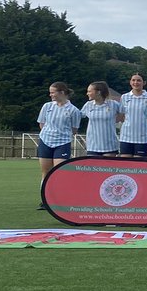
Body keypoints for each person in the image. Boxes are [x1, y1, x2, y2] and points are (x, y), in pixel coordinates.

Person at [36, 81, 81, 209]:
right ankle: (45, 199)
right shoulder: (47, 106)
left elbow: (74, 129)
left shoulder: (73, 110)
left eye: (53, 92)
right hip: (45, 141)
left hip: (62, 143)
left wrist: (61, 134)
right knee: (45, 172)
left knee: (59, 172)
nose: (50, 95)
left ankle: (59, 199)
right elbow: (41, 124)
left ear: (61, 92)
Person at [80, 81, 123, 157]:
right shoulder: (88, 105)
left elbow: (125, 113)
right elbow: (78, 115)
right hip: (92, 145)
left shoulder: (113, 104)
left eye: (89, 91)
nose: (87, 93)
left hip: (110, 145)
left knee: (107, 165)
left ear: (98, 92)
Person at [118, 73, 147, 158]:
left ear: (144, 83)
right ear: (130, 82)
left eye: (139, 80)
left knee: (139, 164)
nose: (136, 82)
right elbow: (121, 115)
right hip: (126, 137)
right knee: (125, 163)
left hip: (143, 138)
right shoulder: (124, 97)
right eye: (133, 80)